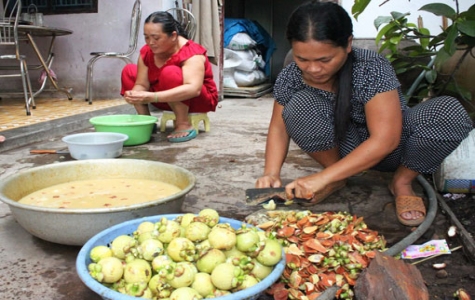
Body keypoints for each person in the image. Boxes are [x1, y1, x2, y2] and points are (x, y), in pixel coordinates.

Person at [255, 0, 473, 226]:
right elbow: (279, 127)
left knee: (449, 111)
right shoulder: (291, 75)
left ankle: (402, 182)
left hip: (393, 149)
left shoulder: (371, 68)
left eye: (324, 59)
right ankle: (337, 176)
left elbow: (386, 140)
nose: (313, 69)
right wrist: (271, 172)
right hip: (344, 147)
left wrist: (320, 179)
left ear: (348, 44)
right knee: (299, 105)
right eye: (302, 59)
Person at [122, 11, 218, 143]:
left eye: (156, 38)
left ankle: (183, 123)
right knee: (129, 70)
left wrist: (152, 97)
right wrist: (135, 94)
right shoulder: (147, 52)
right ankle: (146, 122)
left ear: (173, 36)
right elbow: (142, 84)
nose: (150, 42)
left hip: (197, 101)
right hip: (166, 99)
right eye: (146, 37)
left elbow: (193, 89)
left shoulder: (191, 52)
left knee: (170, 72)